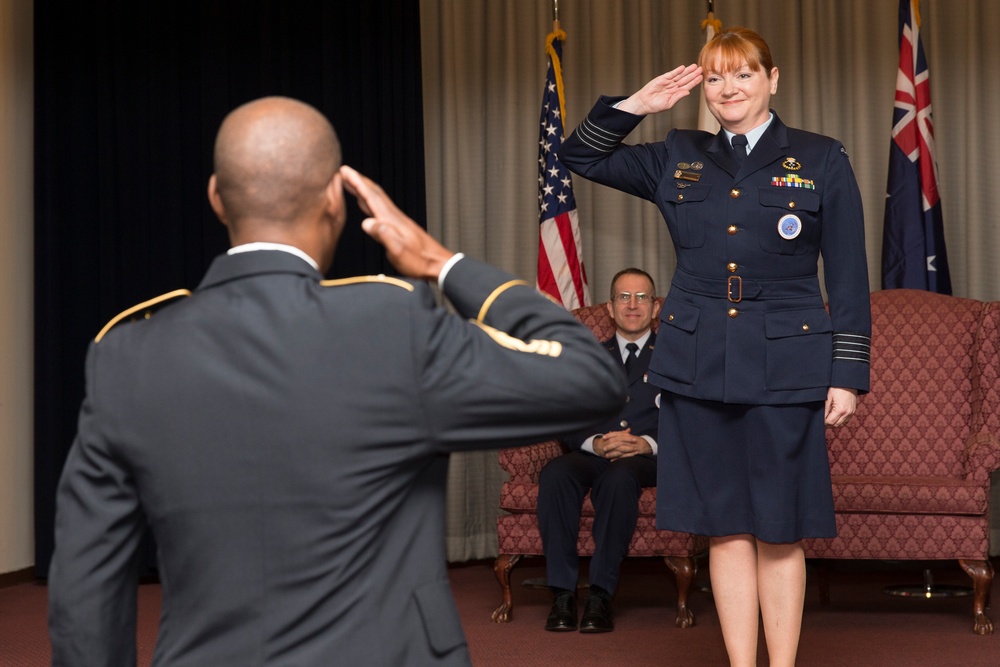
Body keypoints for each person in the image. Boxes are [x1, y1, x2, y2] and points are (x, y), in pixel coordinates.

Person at [47, 96, 628, 667]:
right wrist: (443, 265)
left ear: (216, 198)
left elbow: (86, 581)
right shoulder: (390, 325)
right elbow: (591, 378)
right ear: (335, 198)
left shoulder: (127, 353)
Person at [559, 27, 871, 667]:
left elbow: (846, 276)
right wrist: (635, 107)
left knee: (779, 529)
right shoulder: (678, 152)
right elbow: (579, 158)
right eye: (716, 77)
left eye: (744, 74)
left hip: (786, 364)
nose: (729, 88)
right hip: (698, 364)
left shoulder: (820, 158)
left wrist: (846, 373)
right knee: (724, 525)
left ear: (772, 80)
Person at [537, 268, 661, 634]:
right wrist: (595, 442)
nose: (633, 305)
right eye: (624, 297)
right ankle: (561, 594)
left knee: (620, 480)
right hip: (595, 450)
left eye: (641, 297)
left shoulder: (675, 358)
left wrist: (646, 444)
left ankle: (600, 595)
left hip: (650, 458)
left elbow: (692, 420)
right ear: (610, 307)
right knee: (556, 473)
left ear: (655, 307)